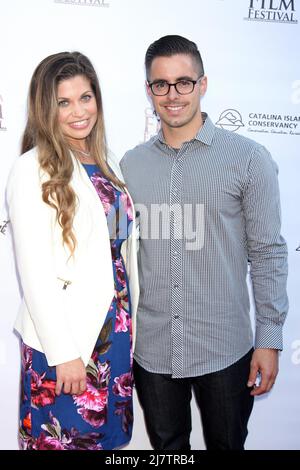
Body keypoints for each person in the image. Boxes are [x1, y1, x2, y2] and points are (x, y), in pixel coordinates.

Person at [120, 35, 288, 450]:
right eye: (161, 84)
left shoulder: (248, 158)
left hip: (224, 348)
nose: (172, 94)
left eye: (183, 82)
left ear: (203, 84)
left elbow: (268, 252)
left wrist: (268, 339)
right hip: (153, 350)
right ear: (148, 90)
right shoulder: (129, 165)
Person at [6, 52, 139, 450]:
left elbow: (119, 247)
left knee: (108, 439)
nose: (79, 111)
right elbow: (35, 272)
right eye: (64, 102)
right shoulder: (32, 169)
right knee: (65, 439)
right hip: (66, 339)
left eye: (86, 97)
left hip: (113, 327)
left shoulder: (107, 162)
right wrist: (64, 354)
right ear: (47, 109)